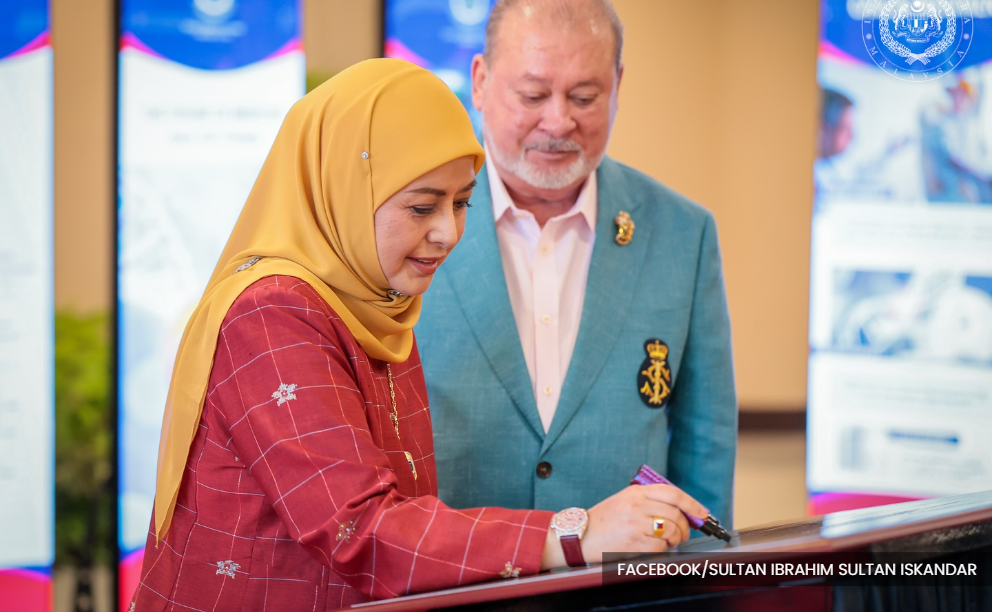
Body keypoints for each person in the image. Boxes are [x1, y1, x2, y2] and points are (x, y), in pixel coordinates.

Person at [130, 58, 710, 610]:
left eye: (461, 203)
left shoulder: (377, 304)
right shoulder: (272, 312)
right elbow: (362, 530)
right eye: (421, 207)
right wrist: (574, 532)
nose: (447, 233)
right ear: (344, 190)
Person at [416, 0, 737, 528]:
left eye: (585, 97)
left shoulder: (683, 233)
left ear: (618, 86)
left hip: (621, 590)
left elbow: (703, 444)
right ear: (480, 82)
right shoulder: (410, 219)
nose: (559, 121)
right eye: (533, 95)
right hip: (449, 585)